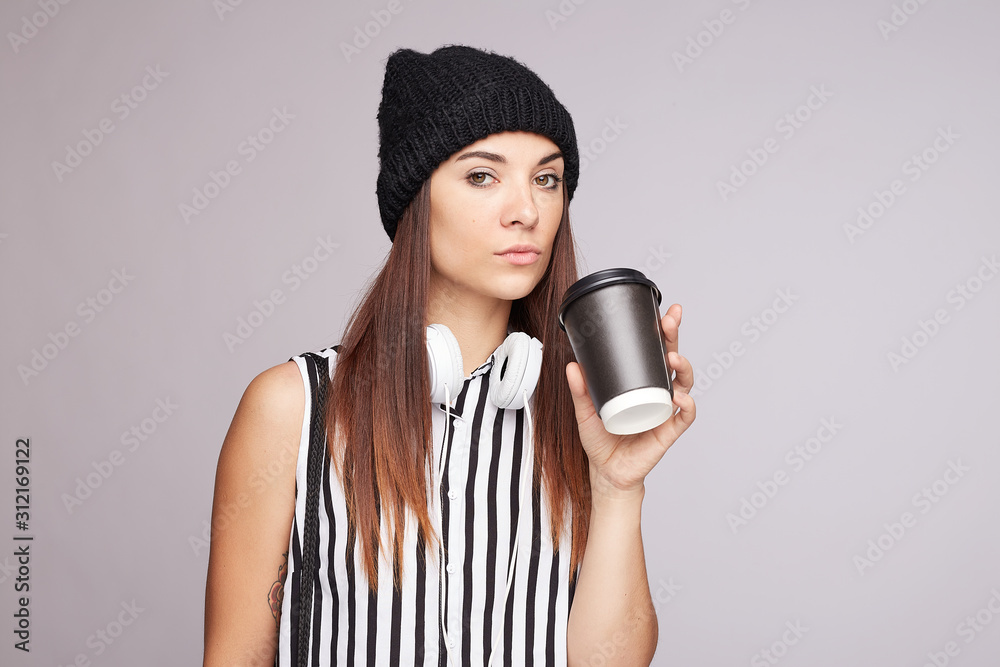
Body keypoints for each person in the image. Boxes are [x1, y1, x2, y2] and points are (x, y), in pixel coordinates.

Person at [203, 44, 696, 667]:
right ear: (416, 201)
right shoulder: (292, 409)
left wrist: (620, 485)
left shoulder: (582, 412)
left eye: (546, 178)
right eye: (482, 175)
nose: (526, 212)